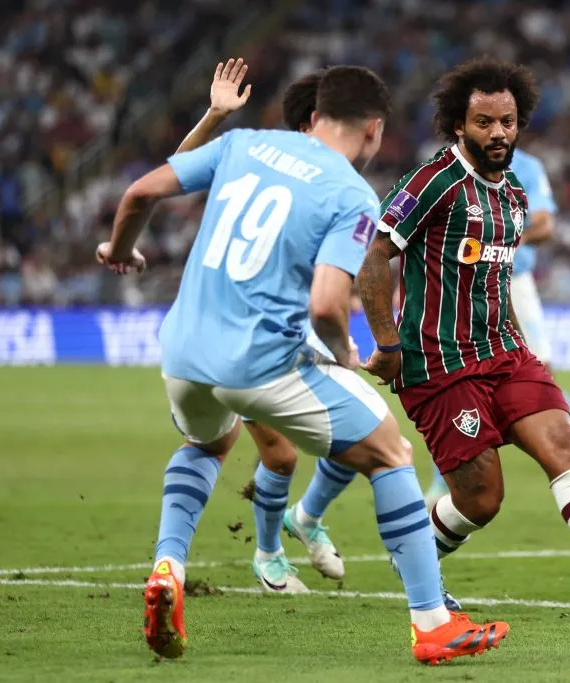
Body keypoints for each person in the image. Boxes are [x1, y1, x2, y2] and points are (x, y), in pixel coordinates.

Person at [96, 64, 509, 664]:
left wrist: (121, 248)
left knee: (207, 445)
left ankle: (168, 567)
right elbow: (324, 305)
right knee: (390, 452)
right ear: (374, 130)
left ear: (315, 117)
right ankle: (432, 624)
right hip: (260, 362)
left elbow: (141, 191)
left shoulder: (243, 144)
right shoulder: (351, 193)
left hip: (183, 351)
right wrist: (342, 354)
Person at [356, 57, 570, 620]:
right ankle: (417, 557)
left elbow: (497, 278)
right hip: (440, 364)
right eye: (484, 122)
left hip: (505, 353)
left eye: (507, 122)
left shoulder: (513, 194)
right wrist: (388, 346)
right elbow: (374, 260)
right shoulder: (432, 181)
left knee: (566, 446)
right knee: (481, 499)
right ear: (459, 125)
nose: (498, 133)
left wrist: (522, 345)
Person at [173, 60, 348, 590]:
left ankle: (306, 518)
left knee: (359, 431)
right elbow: (176, 172)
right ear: (314, 122)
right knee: (281, 452)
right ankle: (269, 555)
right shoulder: (259, 158)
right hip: (239, 330)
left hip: (288, 324)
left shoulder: (334, 179)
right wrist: (213, 117)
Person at [422, 145, 560, 509]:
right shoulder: (448, 168)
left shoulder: (527, 167)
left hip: (515, 280)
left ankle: (565, 464)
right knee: (461, 378)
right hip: (464, 283)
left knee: (541, 373)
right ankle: (443, 481)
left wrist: (508, 240)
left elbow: (545, 224)